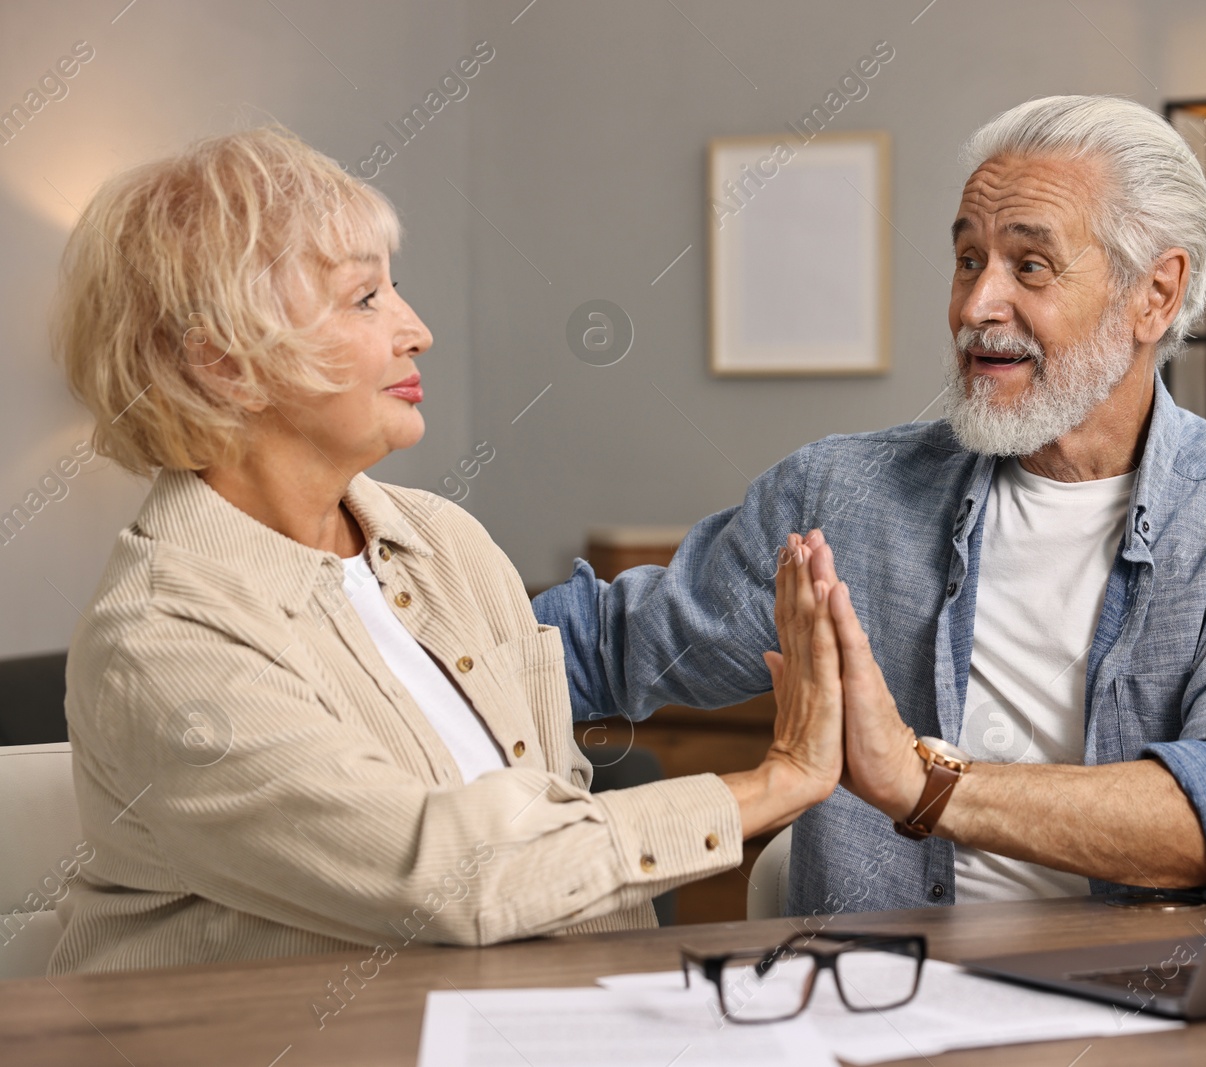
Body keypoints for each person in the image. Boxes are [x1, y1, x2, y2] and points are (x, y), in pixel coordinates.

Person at [534, 95, 1206, 915]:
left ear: (1154, 294)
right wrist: (408, 653)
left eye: (1029, 266)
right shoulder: (838, 498)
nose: (975, 307)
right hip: (881, 1005)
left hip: (1139, 1013)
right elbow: (600, 647)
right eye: (969, 260)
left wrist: (921, 781)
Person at [50, 125, 843, 975]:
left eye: (398, 290)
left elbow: (551, 817)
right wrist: (775, 781)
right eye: (364, 300)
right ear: (224, 366)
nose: (417, 329)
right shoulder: (161, 642)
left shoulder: (443, 541)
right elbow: (449, 876)